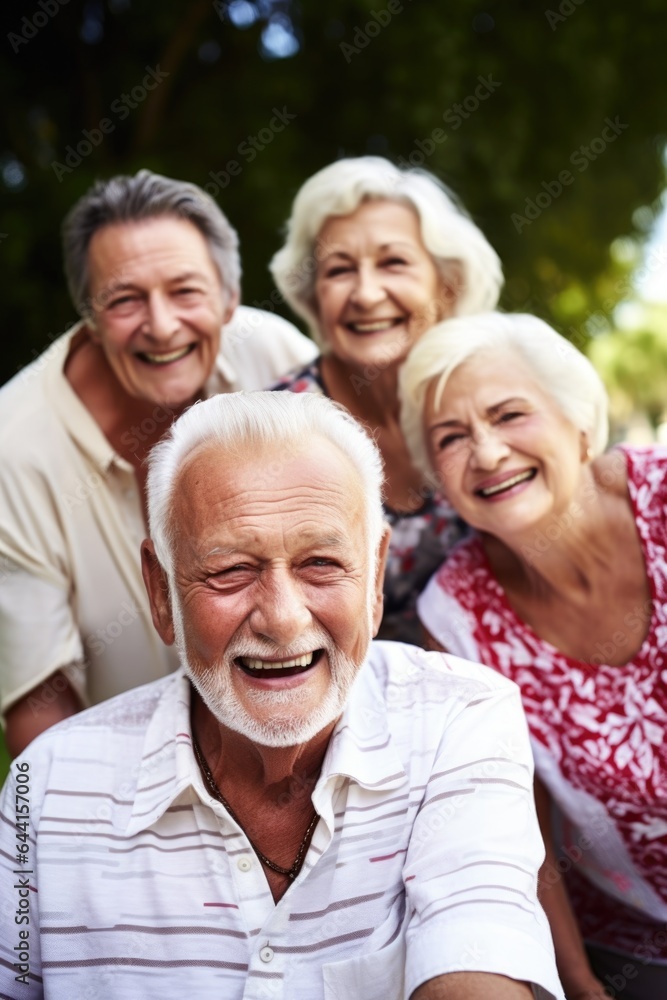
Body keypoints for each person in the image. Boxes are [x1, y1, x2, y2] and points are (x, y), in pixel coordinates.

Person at [0, 391, 564, 1000]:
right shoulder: (48, 786)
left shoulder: (462, 720)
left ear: (375, 579)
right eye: (230, 570)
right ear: (162, 594)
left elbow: (479, 957)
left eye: (321, 563)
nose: (283, 619)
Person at [0, 169, 317, 756]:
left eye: (186, 291)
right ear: (89, 317)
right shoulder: (12, 451)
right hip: (130, 769)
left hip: (305, 736)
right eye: (124, 299)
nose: (163, 325)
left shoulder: (275, 357)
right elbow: (38, 701)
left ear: (228, 299)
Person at [399, 311, 667, 999]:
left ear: (578, 423)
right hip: (636, 945)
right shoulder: (455, 615)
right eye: (451, 438)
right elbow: (516, 829)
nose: (485, 453)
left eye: (508, 415)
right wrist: (580, 987)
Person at [269, 155, 503, 644]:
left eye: (393, 262)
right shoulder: (282, 433)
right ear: (314, 297)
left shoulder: (494, 397)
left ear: (447, 286)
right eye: (339, 270)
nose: (366, 294)